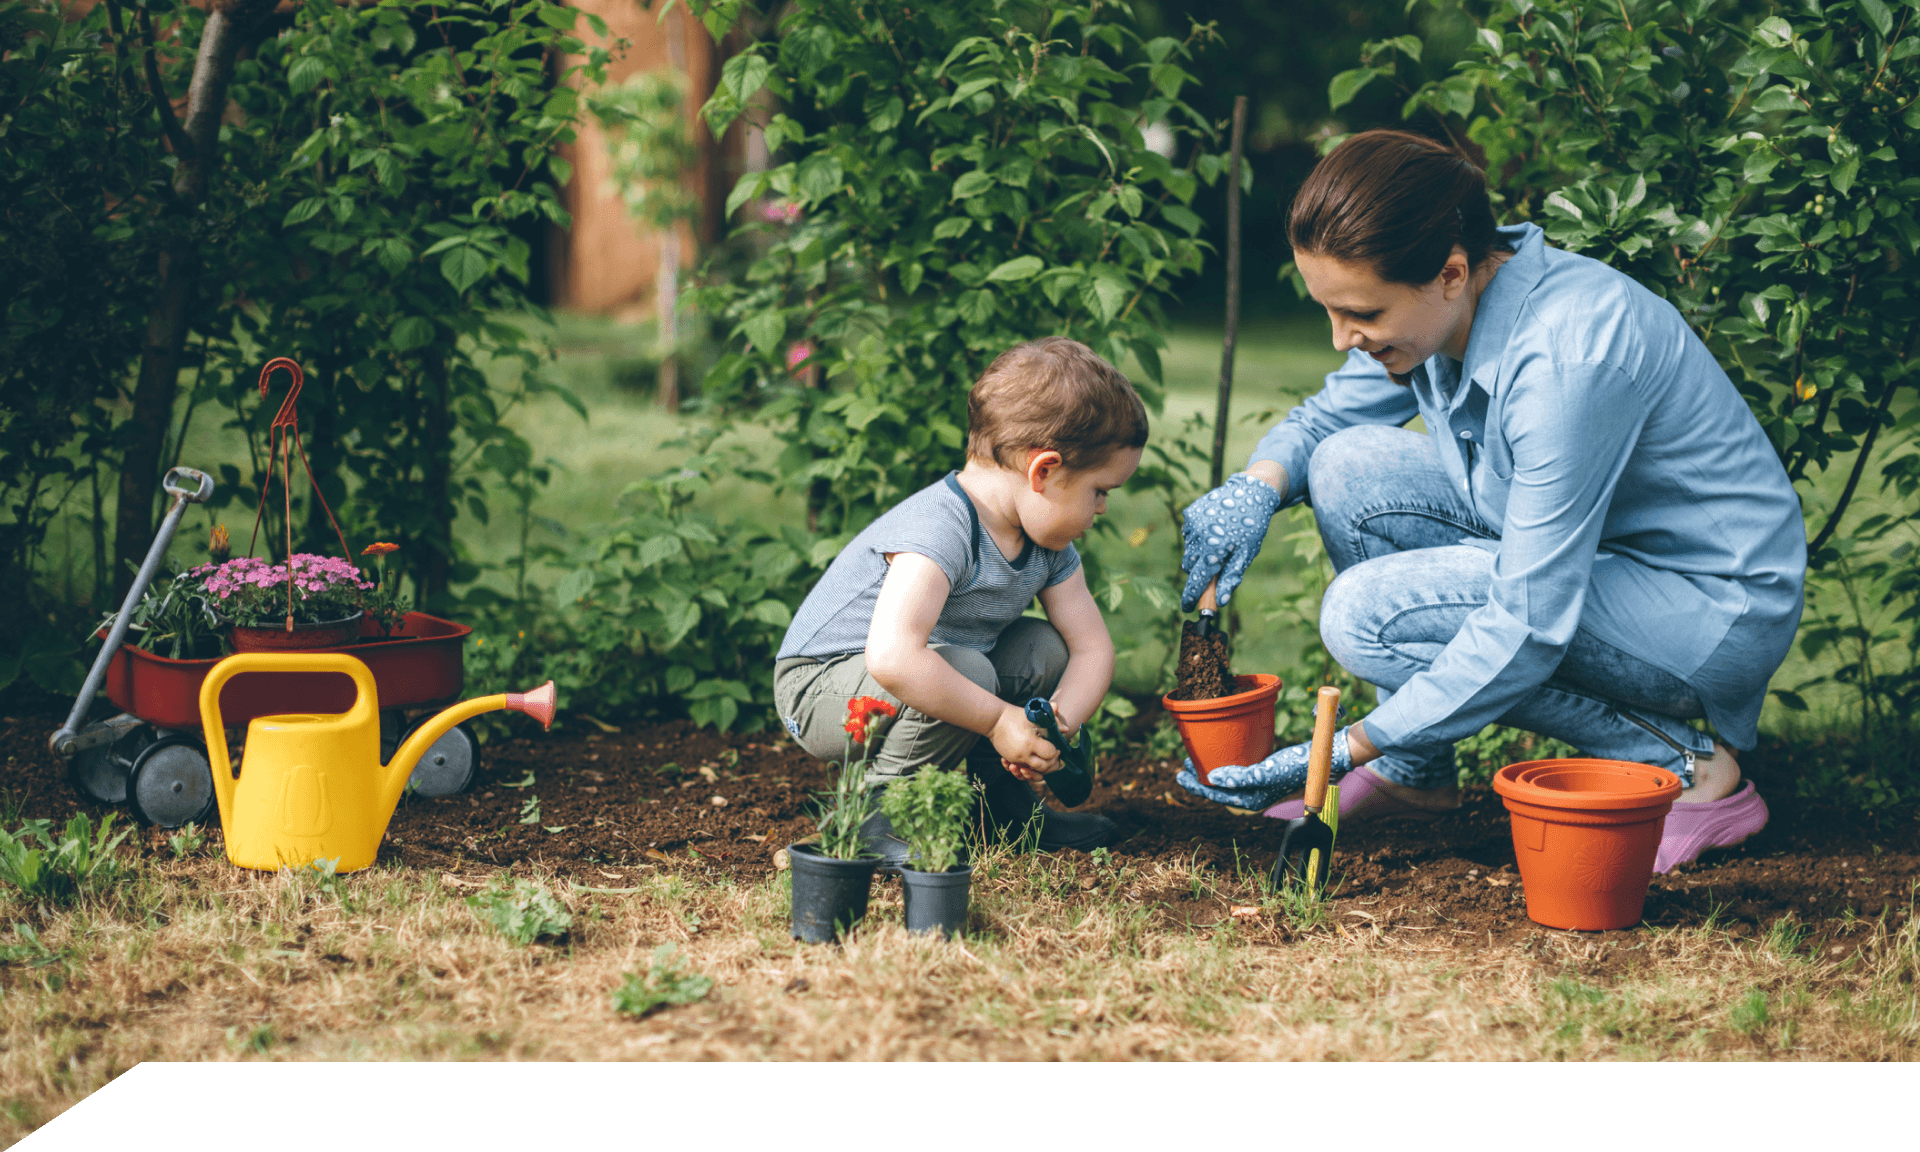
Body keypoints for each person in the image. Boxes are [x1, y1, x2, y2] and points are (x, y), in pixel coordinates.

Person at [1175, 130, 1803, 872]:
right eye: (1330, 311)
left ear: (1449, 272)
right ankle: (1419, 775)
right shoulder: (1447, 307)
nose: (1343, 337)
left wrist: (1355, 742)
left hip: (1706, 609)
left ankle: (1689, 769)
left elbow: (1529, 621)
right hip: (1606, 557)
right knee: (1346, 467)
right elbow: (1323, 425)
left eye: (1363, 315)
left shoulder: (1566, 356)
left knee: (1364, 615)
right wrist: (1258, 486)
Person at [775, 337, 1144, 866]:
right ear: (1043, 471)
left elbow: (1091, 649)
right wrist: (998, 722)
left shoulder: (1048, 543)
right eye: (1100, 490)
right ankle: (877, 817)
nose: (1104, 508)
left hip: (923, 670)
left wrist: (1051, 729)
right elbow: (894, 657)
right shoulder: (941, 528)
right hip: (820, 688)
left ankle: (1003, 810)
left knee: (1043, 647)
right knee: (968, 671)